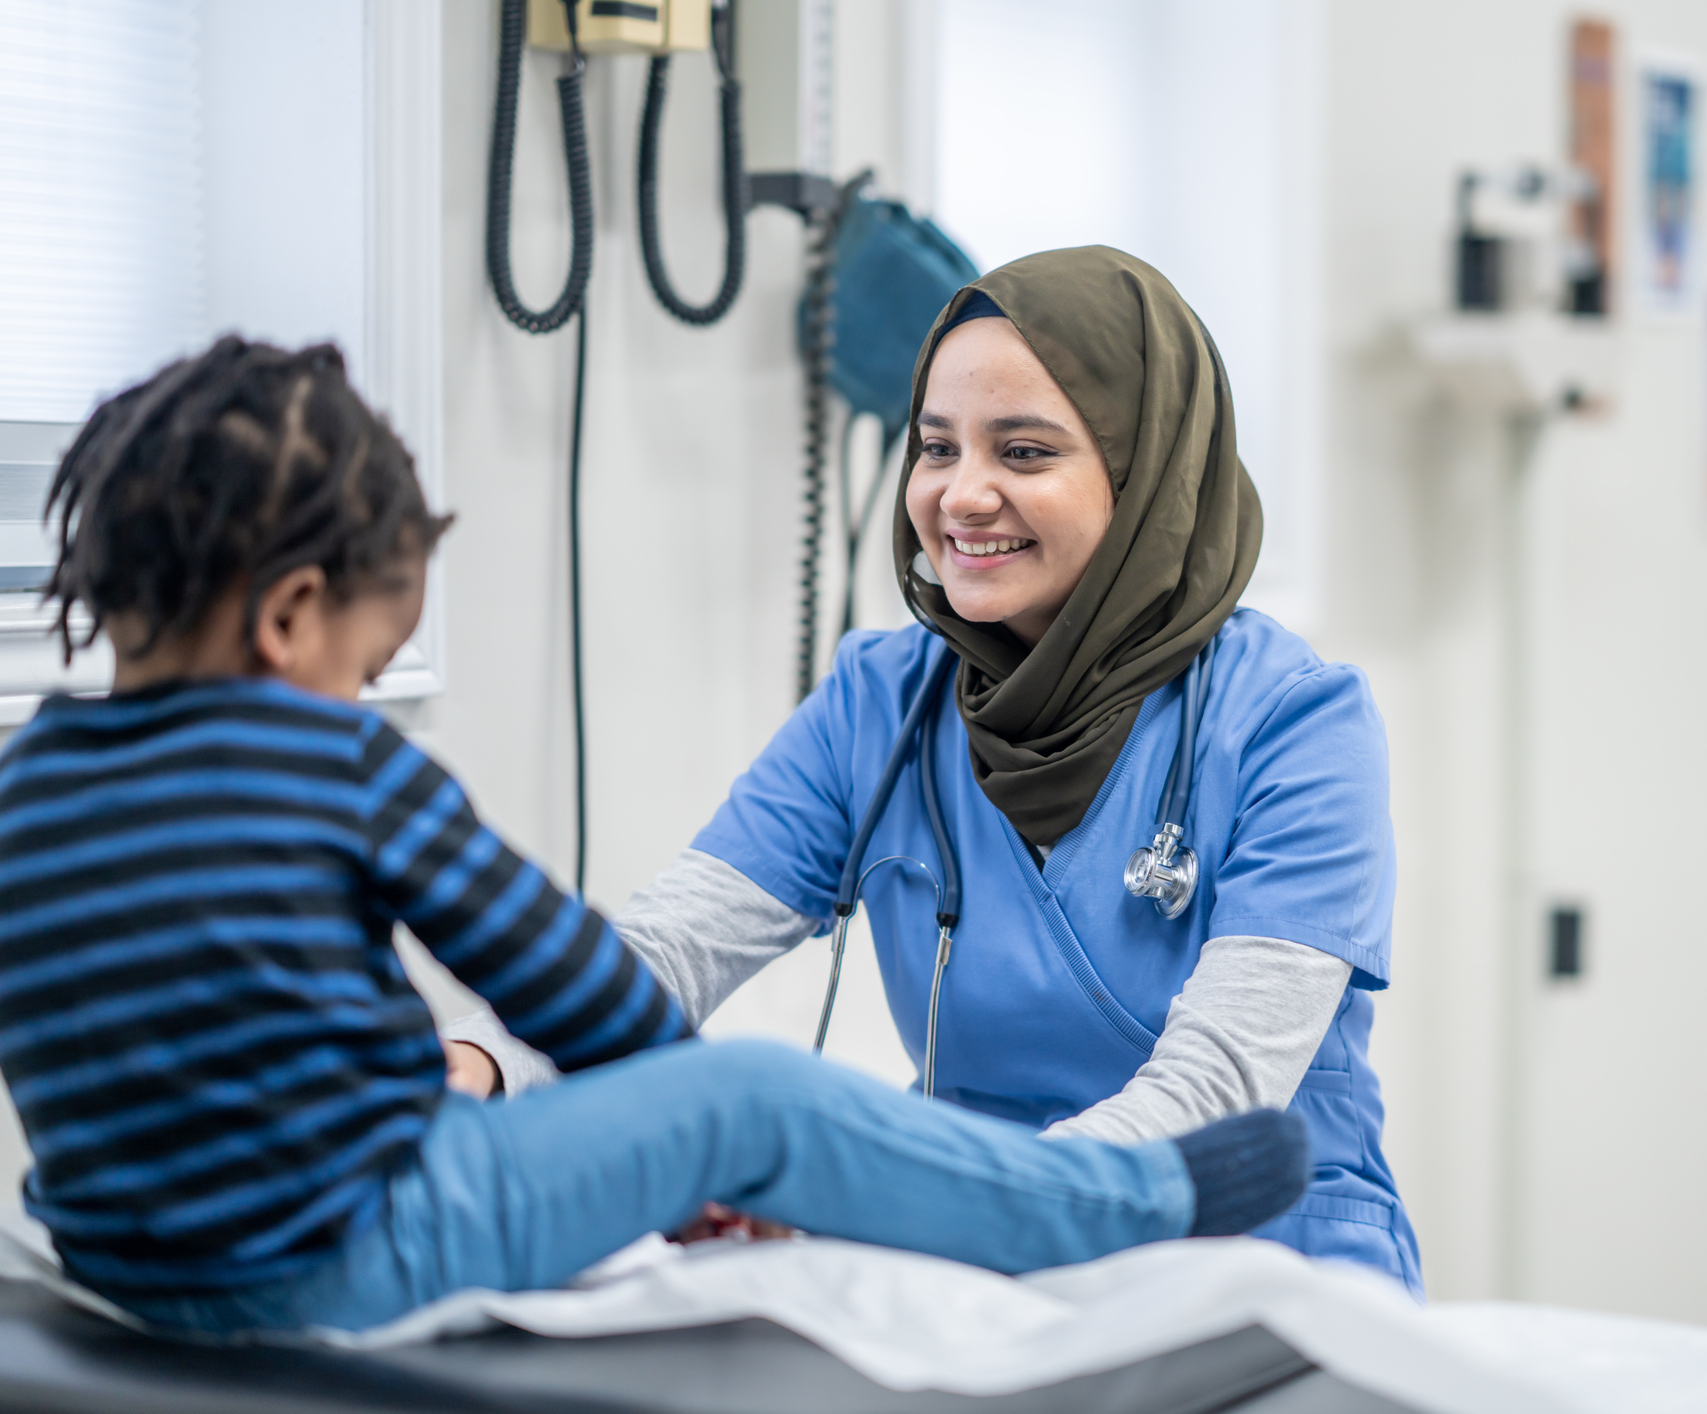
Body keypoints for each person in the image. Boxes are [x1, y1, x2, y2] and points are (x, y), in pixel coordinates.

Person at [0, 337, 1312, 1336]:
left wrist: (501, 1089)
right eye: (364, 664)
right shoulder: (335, 763)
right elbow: (565, 974)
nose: (358, 699)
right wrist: (695, 1133)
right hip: (353, 1244)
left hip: (122, 1260)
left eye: (1021, 451)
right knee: (757, 1094)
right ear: (289, 616)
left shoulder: (31, 778)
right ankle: (1137, 1201)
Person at [451, 248, 1424, 1294]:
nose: (961, 495)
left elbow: (1215, 1090)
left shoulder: (1295, 724)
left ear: (1145, 474)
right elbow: (666, 949)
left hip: (1253, 1266)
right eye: (935, 447)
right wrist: (477, 1066)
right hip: (970, 1279)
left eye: (1024, 451)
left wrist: (883, 1197)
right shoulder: (882, 699)